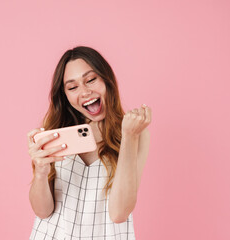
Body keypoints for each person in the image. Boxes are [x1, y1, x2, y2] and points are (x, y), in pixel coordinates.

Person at [28, 46, 151, 239]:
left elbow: (119, 213)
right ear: (65, 95)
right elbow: (43, 212)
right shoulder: (54, 132)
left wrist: (128, 136)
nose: (85, 92)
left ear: (106, 79)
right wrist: (40, 172)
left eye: (91, 80)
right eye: (72, 87)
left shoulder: (134, 133)